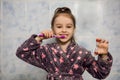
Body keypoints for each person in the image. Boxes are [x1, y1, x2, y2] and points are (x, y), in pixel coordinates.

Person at [16, 7, 113, 80]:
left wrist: (104, 55)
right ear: (53, 29)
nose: (63, 30)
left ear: (74, 29)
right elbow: (22, 53)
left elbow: (101, 74)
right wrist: (39, 37)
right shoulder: (46, 51)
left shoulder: (83, 53)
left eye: (68, 26)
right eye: (59, 27)